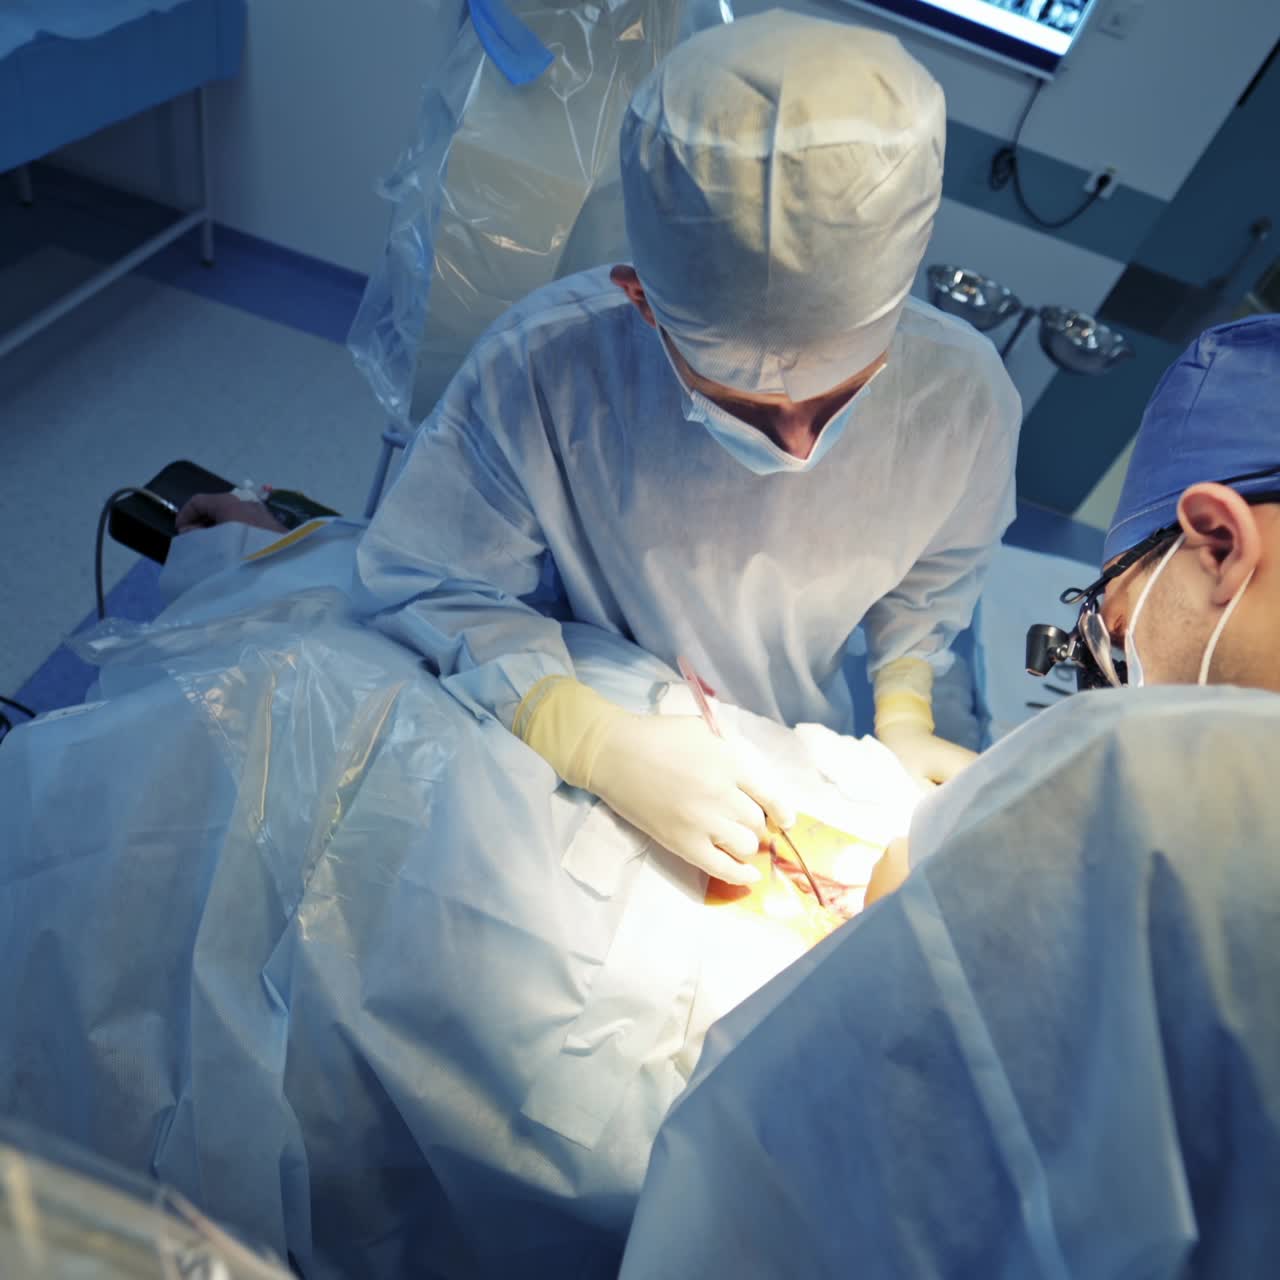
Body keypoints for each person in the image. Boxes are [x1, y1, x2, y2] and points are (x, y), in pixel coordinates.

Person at [618, 314, 1280, 1277]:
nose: (1121, 681)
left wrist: (991, 828)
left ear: (1217, 540)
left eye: (1117, 631)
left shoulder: (1154, 782)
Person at [355, 11, 1022, 891]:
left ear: (899, 308)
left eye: (836, 398)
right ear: (640, 300)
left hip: (785, 748)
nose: (796, 449)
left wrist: (902, 709)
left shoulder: (961, 398)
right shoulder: (545, 366)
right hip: (556, 732)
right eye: (741, 403)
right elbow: (435, 580)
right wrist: (584, 734)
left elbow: (929, 585)